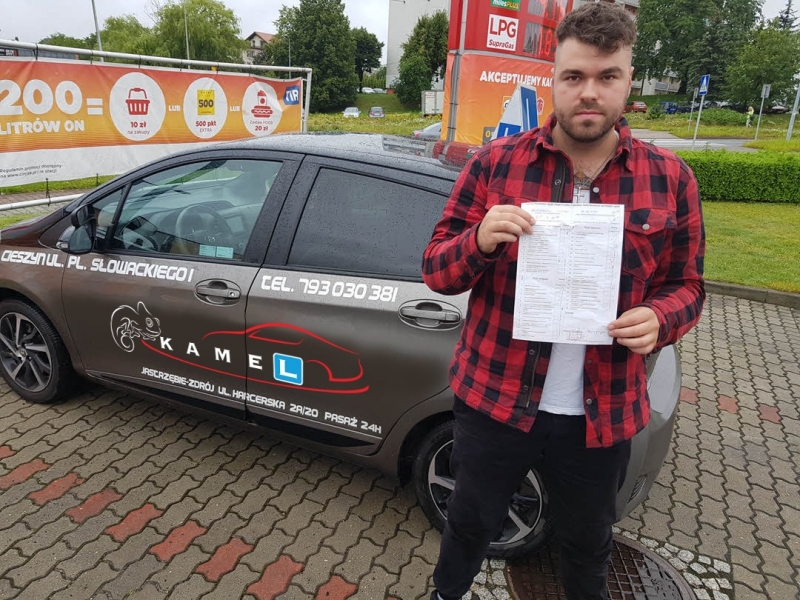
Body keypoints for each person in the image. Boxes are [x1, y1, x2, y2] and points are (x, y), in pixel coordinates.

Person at [421, 3, 706, 600]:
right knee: (468, 525)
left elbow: (688, 286)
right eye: (574, 76)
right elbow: (436, 271)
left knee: (587, 542)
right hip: (495, 401)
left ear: (629, 81)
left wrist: (660, 318)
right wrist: (478, 240)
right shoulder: (495, 165)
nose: (589, 93)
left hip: (602, 413)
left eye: (608, 76)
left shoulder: (670, 178)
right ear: (552, 77)